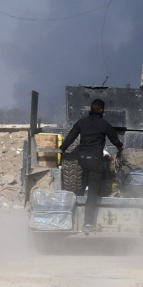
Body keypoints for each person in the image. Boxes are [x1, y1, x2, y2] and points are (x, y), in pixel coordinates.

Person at [60, 98, 124, 233]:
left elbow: (71, 137)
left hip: (82, 160)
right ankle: (88, 223)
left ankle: (72, 214)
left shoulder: (82, 122)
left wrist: (62, 148)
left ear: (91, 109)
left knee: (82, 184)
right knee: (93, 193)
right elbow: (115, 139)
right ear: (101, 110)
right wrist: (120, 147)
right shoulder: (104, 124)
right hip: (95, 162)